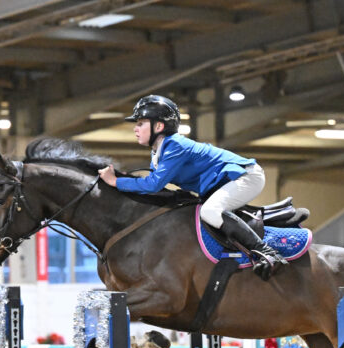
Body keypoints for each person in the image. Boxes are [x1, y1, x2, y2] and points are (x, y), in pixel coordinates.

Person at [98, 95, 288, 280]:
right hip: (224, 182)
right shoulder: (158, 150)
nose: (135, 129)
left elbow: (153, 184)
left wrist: (116, 182)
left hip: (245, 177)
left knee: (210, 211)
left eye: (140, 123)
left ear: (158, 126)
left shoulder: (175, 146)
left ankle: (266, 251)